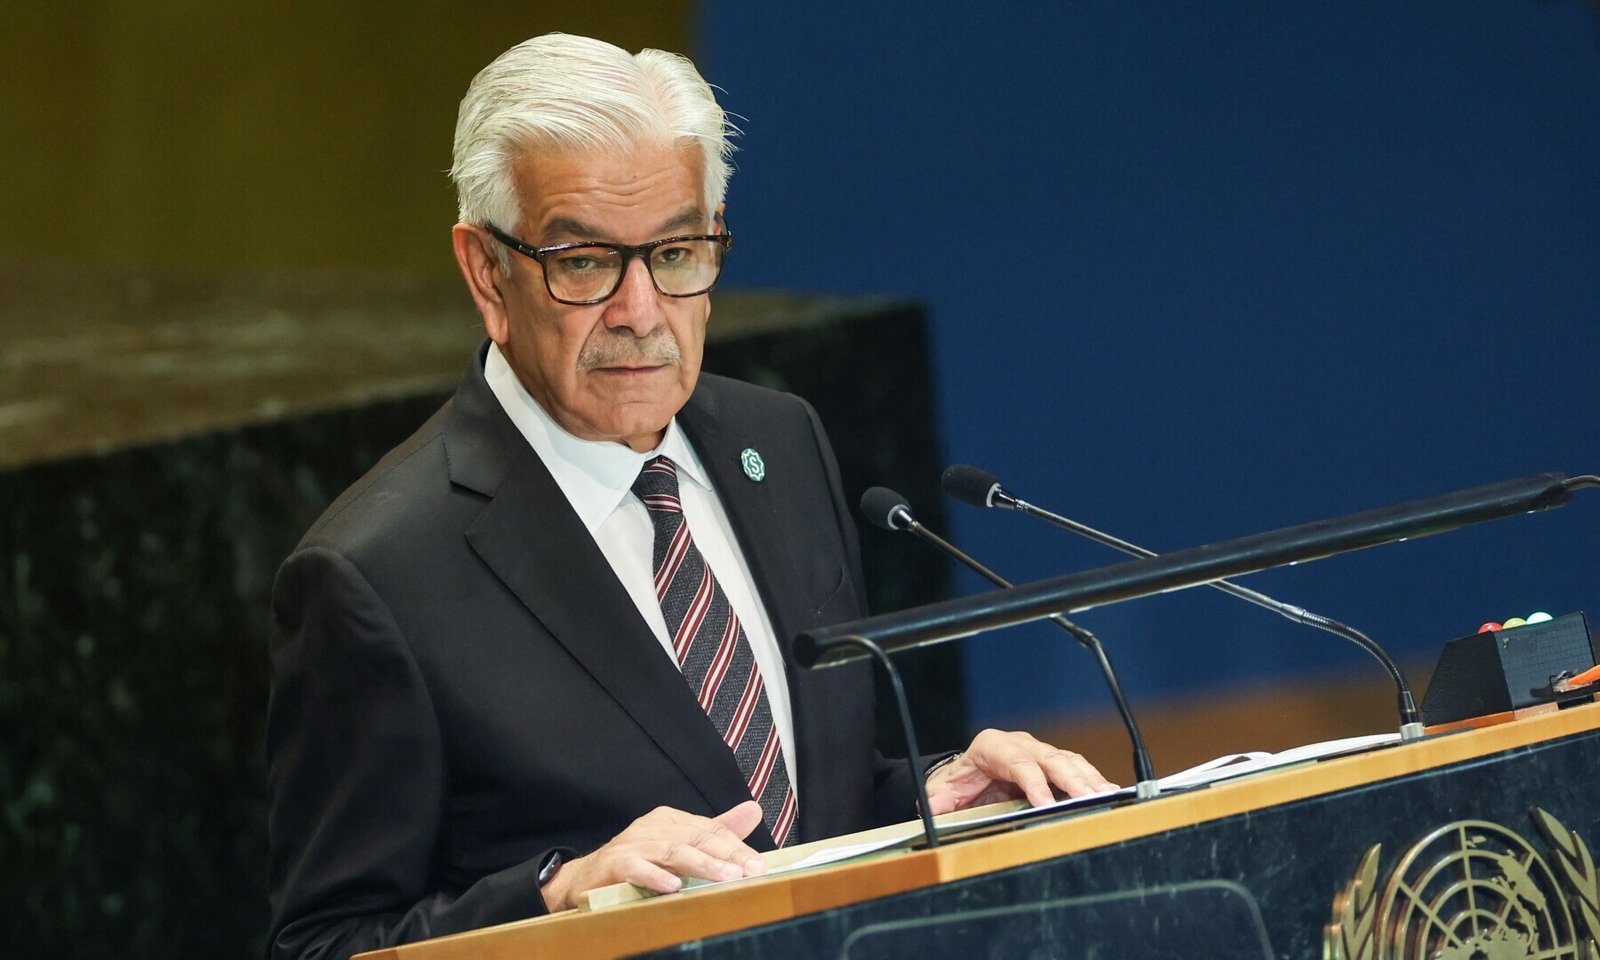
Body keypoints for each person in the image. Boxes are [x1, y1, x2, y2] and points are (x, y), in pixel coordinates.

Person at [264, 32, 1114, 960]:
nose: (639, 311)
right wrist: (559, 893)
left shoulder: (778, 441)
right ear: (486, 273)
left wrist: (934, 792)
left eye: (675, 252)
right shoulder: (377, 575)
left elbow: (799, 804)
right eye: (583, 262)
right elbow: (325, 942)